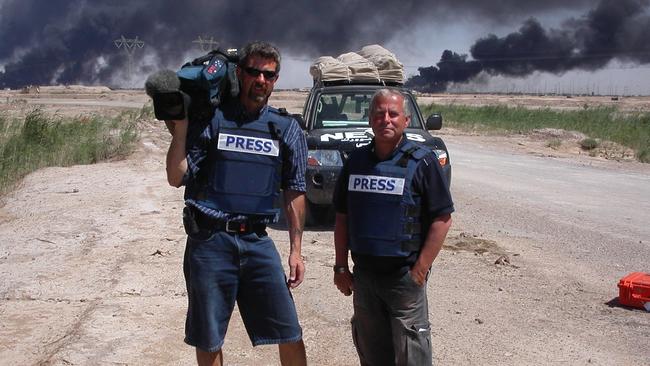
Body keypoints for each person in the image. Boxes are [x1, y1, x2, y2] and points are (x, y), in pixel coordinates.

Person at [165, 41, 308, 366]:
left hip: (257, 241)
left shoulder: (285, 130)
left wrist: (296, 249)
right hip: (210, 242)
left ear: (275, 80)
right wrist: (181, 130)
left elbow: (295, 191)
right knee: (209, 335)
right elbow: (177, 177)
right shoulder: (212, 123)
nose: (261, 80)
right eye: (254, 72)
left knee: (290, 331)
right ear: (240, 74)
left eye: (268, 75)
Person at [332, 88, 454, 366]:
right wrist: (340, 266)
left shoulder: (422, 162)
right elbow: (342, 216)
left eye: (393, 113)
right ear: (370, 120)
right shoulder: (356, 162)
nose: (386, 119)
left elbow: (442, 219)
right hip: (364, 278)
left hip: (404, 279)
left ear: (406, 120)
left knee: (414, 359)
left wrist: (420, 270)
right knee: (373, 357)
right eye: (379, 113)